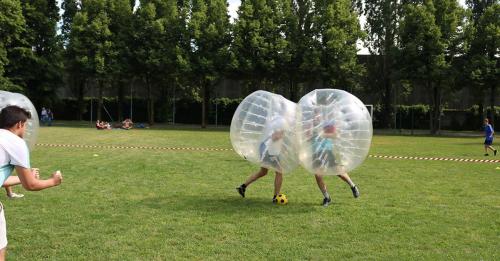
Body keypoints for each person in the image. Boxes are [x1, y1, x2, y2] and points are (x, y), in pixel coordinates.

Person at [0, 105, 63, 259]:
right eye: (26, 125)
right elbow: (31, 185)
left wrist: (23, 179)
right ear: (19, 124)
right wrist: (53, 181)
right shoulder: (16, 142)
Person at [236, 117, 286, 203]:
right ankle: (276, 197)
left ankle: (243, 187)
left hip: (264, 148)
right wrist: (283, 137)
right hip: (270, 150)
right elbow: (275, 137)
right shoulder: (282, 121)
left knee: (263, 172)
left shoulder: (274, 119)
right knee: (279, 171)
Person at [312, 120, 359, 207]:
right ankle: (327, 197)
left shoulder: (327, 121)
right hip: (316, 153)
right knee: (318, 176)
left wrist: (322, 134)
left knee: (338, 172)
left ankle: (353, 186)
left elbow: (336, 135)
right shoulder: (308, 122)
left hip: (327, 151)